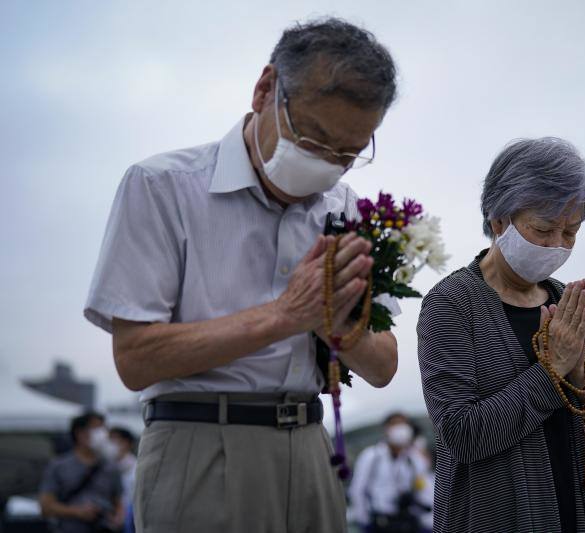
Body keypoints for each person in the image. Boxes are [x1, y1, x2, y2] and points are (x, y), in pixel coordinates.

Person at [84, 17, 400, 533]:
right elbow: (136, 360)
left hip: (313, 447)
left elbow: (383, 366)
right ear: (265, 89)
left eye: (348, 154)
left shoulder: (347, 209)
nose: (327, 165)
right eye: (314, 138)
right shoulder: (163, 187)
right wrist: (284, 315)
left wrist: (330, 322)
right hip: (200, 441)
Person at [417, 138, 585, 532]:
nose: (557, 245)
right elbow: (461, 434)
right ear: (499, 220)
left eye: (571, 232)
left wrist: (581, 377)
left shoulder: (568, 301)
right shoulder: (451, 303)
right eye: (544, 229)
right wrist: (552, 372)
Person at [39, 412, 124, 533]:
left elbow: (118, 502)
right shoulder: (58, 466)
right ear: (80, 433)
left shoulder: (110, 467)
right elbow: (45, 507)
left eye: (103, 428)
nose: (102, 434)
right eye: (96, 428)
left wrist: (118, 518)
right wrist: (77, 512)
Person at [349, 413, 434, 533]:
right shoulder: (371, 456)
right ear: (386, 429)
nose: (401, 428)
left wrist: (428, 520)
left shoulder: (413, 459)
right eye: (395, 424)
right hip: (380, 521)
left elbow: (423, 489)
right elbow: (357, 489)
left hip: (408, 521)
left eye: (404, 424)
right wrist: (364, 521)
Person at [108, 427, 137, 529]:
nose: (112, 444)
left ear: (128, 443)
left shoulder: (137, 469)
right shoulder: (103, 467)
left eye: (116, 440)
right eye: (110, 440)